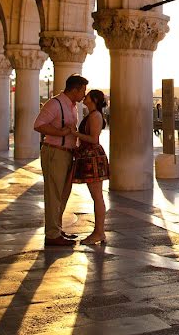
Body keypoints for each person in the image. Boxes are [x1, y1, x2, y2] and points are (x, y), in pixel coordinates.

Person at [34, 73, 88, 246]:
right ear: (75, 89)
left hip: (67, 153)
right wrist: (61, 133)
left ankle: (56, 229)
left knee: (62, 193)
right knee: (53, 194)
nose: (84, 94)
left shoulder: (71, 106)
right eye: (83, 90)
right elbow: (39, 124)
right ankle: (52, 234)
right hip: (55, 152)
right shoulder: (55, 103)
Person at [71, 89, 110, 244]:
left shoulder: (95, 116)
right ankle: (99, 232)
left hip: (92, 156)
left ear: (93, 99)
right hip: (88, 155)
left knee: (97, 197)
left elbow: (93, 139)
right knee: (97, 196)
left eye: (87, 96)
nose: (84, 97)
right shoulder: (92, 115)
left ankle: (99, 232)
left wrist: (74, 133)